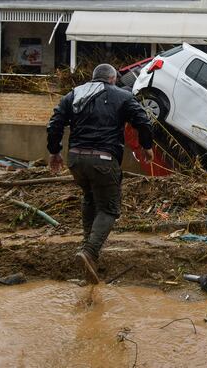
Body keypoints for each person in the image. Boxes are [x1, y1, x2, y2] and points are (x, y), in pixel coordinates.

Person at [46, 63, 154, 284]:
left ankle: (87, 252)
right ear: (113, 79)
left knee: (90, 198)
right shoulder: (121, 96)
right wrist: (146, 145)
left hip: (75, 159)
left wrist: (54, 151)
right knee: (109, 208)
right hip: (103, 159)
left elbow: (55, 123)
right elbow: (143, 120)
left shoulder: (74, 94)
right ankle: (90, 251)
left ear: (94, 78)